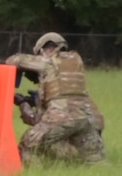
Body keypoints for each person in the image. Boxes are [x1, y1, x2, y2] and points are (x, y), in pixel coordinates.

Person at [8, 32, 105, 163]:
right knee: (95, 161)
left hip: (62, 119)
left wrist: (23, 103)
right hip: (85, 121)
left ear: (44, 49)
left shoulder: (49, 60)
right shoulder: (77, 61)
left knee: (28, 144)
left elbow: (14, 60)